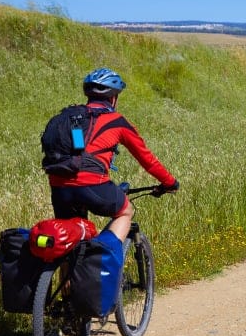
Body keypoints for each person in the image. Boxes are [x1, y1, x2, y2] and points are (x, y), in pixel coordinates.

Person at [47, 68, 179, 241]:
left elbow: (79, 152)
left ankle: (70, 267)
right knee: (125, 212)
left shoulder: (74, 119)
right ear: (113, 98)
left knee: (71, 238)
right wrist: (169, 182)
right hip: (93, 186)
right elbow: (148, 160)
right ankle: (104, 262)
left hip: (59, 187)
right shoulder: (118, 122)